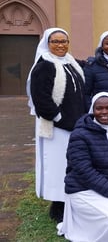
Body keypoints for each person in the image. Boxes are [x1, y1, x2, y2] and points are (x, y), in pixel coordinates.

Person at [57, 92, 108, 241]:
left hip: (107, 186)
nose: (104, 112)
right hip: (82, 189)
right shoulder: (79, 134)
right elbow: (84, 171)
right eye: (99, 108)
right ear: (92, 110)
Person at [26, 27, 85, 223]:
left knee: (71, 164)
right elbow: (41, 98)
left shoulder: (71, 62)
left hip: (74, 124)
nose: (61, 45)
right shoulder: (44, 66)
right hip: (56, 127)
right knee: (57, 166)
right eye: (56, 42)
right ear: (47, 44)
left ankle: (70, 201)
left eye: (64, 41)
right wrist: (59, 118)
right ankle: (57, 207)